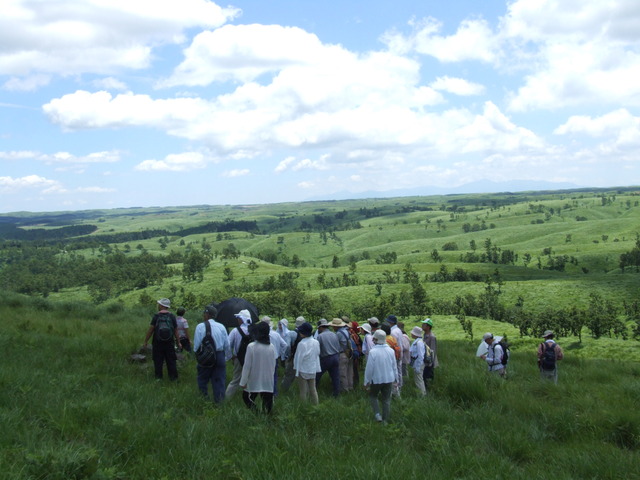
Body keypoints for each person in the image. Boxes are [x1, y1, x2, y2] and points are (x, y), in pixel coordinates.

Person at [193, 305, 230, 403]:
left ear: (207, 314)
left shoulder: (200, 326)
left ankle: (204, 400)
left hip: (205, 355)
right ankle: (219, 402)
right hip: (219, 355)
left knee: (202, 379)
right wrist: (226, 357)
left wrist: (199, 357)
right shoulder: (221, 326)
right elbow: (227, 344)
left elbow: (196, 346)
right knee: (219, 380)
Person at [240, 321, 278, 414]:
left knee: (247, 397)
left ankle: (256, 413)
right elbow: (273, 364)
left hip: (254, 379)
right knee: (267, 402)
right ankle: (267, 418)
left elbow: (247, 366)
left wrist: (243, 381)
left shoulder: (252, 346)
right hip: (268, 380)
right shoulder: (272, 347)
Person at [364, 330, 399, 423]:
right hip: (389, 379)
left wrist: (366, 381)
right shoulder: (391, 351)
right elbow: (394, 366)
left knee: (373, 396)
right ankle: (385, 420)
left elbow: (369, 369)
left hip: (376, 379)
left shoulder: (373, 352)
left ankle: (377, 414)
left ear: (376, 339)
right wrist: (396, 379)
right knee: (386, 399)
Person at [143, 298, 180, 381]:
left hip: (157, 342)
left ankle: (158, 378)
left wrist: (146, 341)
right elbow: (175, 331)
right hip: (170, 342)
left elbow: (151, 330)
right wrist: (178, 342)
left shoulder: (156, 316)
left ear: (161, 305)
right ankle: (173, 378)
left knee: (158, 361)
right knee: (171, 361)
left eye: (159, 304)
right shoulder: (172, 316)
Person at [226, 309, 253, 398]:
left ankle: (227, 398)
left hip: (238, 358)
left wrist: (230, 357)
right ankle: (250, 397)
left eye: (238, 317)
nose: (237, 319)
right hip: (253, 359)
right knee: (251, 378)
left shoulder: (235, 331)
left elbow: (228, 345)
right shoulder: (254, 330)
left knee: (236, 379)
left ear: (242, 319)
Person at [293, 321, 321, 404]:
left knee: (303, 391)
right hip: (312, 368)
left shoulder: (302, 344)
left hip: (303, 369)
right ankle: (316, 405)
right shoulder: (316, 342)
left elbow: (298, 358)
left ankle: (303, 406)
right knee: (313, 389)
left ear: (303, 333)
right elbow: (317, 354)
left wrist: (296, 370)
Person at [315, 318, 342, 397]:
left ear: (321, 327)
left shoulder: (320, 336)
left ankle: (313, 391)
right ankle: (336, 394)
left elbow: (318, 349)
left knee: (317, 375)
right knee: (335, 377)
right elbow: (338, 347)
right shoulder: (334, 334)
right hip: (335, 357)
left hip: (326, 358)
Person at [281, 316, 305, 393]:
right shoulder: (306, 334)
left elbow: (287, 346)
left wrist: (287, 355)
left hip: (293, 357)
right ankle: (304, 392)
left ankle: (284, 390)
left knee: (289, 375)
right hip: (304, 358)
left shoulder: (291, 334)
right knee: (304, 375)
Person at [331, 317, 353, 392]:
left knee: (342, 373)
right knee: (349, 372)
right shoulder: (346, 331)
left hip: (342, 354)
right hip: (349, 353)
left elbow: (335, 344)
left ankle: (344, 389)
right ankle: (350, 386)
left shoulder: (339, 333)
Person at [386, 315, 404, 396]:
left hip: (395, 353)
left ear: (391, 322)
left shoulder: (393, 332)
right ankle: (400, 386)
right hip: (399, 352)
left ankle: (395, 389)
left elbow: (393, 344)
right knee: (399, 370)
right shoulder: (398, 330)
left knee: (395, 371)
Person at [421, 318, 439, 388]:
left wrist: (430, 363)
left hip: (429, 362)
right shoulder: (424, 335)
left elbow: (432, 350)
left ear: (428, 327)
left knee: (428, 377)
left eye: (424, 324)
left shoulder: (432, 337)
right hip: (424, 360)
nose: (422, 325)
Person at [409, 326, 426, 396]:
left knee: (419, 380)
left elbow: (421, 355)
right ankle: (420, 394)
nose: (411, 334)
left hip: (418, 364)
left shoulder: (419, 343)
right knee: (417, 380)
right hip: (416, 363)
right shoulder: (417, 341)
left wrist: (418, 367)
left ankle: (422, 395)